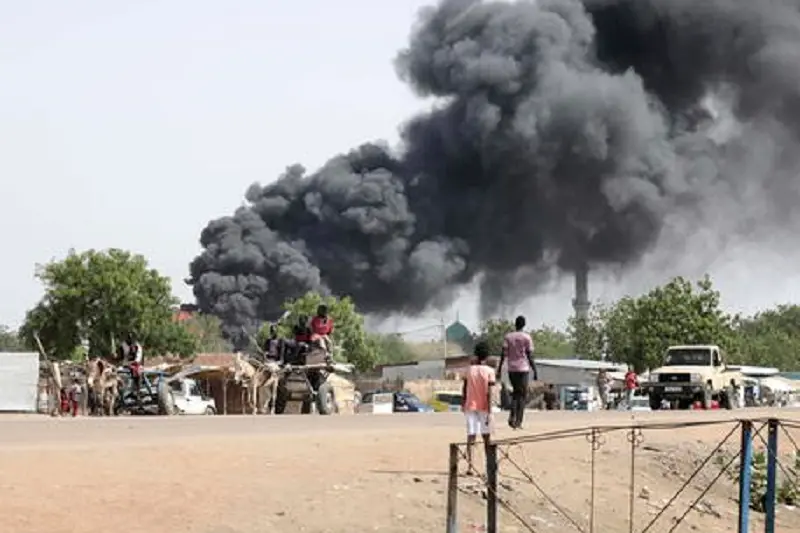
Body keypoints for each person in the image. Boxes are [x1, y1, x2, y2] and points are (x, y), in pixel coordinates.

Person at [461, 340, 496, 476]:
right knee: (486, 437)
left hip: (470, 405)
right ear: (486, 356)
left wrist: (463, 402)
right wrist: (490, 409)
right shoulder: (489, 371)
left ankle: (470, 466)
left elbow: (464, 388)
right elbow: (490, 391)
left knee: (471, 436)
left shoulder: (469, 370)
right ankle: (489, 466)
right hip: (484, 406)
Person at [497, 315, 536, 430]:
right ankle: (518, 421)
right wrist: (534, 369)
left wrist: (499, 368)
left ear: (515, 324)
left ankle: (511, 417)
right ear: (524, 325)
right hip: (523, 369)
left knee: (515, 394)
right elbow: (529, 355)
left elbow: (503, 354)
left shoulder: (508, 337)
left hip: (512, 369)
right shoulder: (527, 337)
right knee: (522, 396)